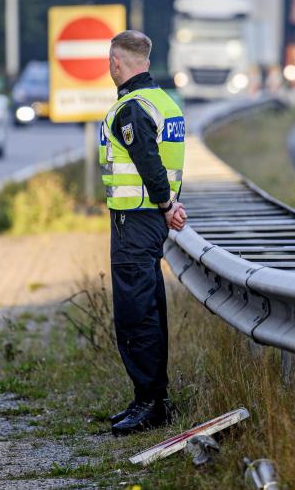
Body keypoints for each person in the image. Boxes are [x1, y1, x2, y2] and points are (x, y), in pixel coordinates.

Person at [99, 30, 187, 436]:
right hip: (147, 223)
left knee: (136, 316)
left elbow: (149, 162)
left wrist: (167, 205)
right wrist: (168, 205)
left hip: (136, 221)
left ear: (117, 62)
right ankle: (149, 398)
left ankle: (150, 405)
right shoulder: (164, 102)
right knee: (148, 308)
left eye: (109, 61)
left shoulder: (132, 108)